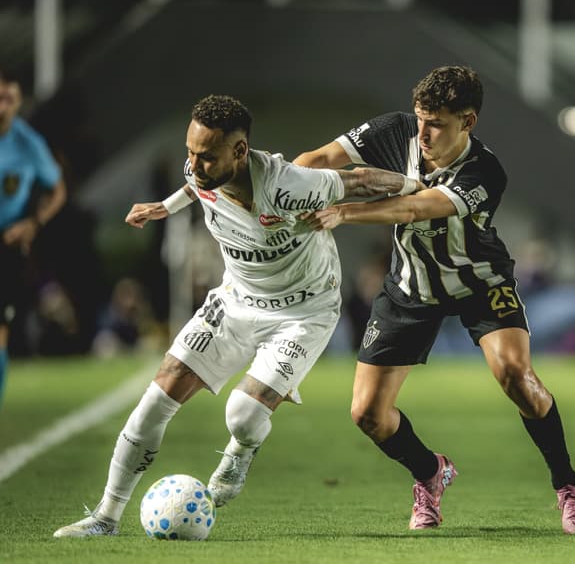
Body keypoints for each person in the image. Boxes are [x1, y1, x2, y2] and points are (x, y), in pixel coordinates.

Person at [53, 94, 422, 538]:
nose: (195, 164)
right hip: (236, 300)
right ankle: (106, 518)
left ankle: (241, 449)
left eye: (207, 156)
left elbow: (359, 180)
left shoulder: (290, 185)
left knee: (243, 415)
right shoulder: (199, 170)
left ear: (240, 151)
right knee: (156, 398)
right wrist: (163, 208)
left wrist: (414, 188)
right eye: (190, 152)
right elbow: (194, 185)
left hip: (304, 312)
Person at [294, 66, 575, 534]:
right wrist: (278, 187)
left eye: (436, 122)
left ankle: (568, 488)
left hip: (479, 282)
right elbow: (319, 158)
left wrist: (344, 211)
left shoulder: (485, 172)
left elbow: (418, 206)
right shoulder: (395, 130)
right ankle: (430, 474)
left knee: (516, 376)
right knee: (367, 415)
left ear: (468, 122)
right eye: (420, 118)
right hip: (411, 288)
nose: (423, 131)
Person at [0, 69, 67, 407]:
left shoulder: (28, 144)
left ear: (18, 101)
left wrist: (33, 223)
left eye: (8, 99)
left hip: (7, 247)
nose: (3, 106)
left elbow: (57, 190)